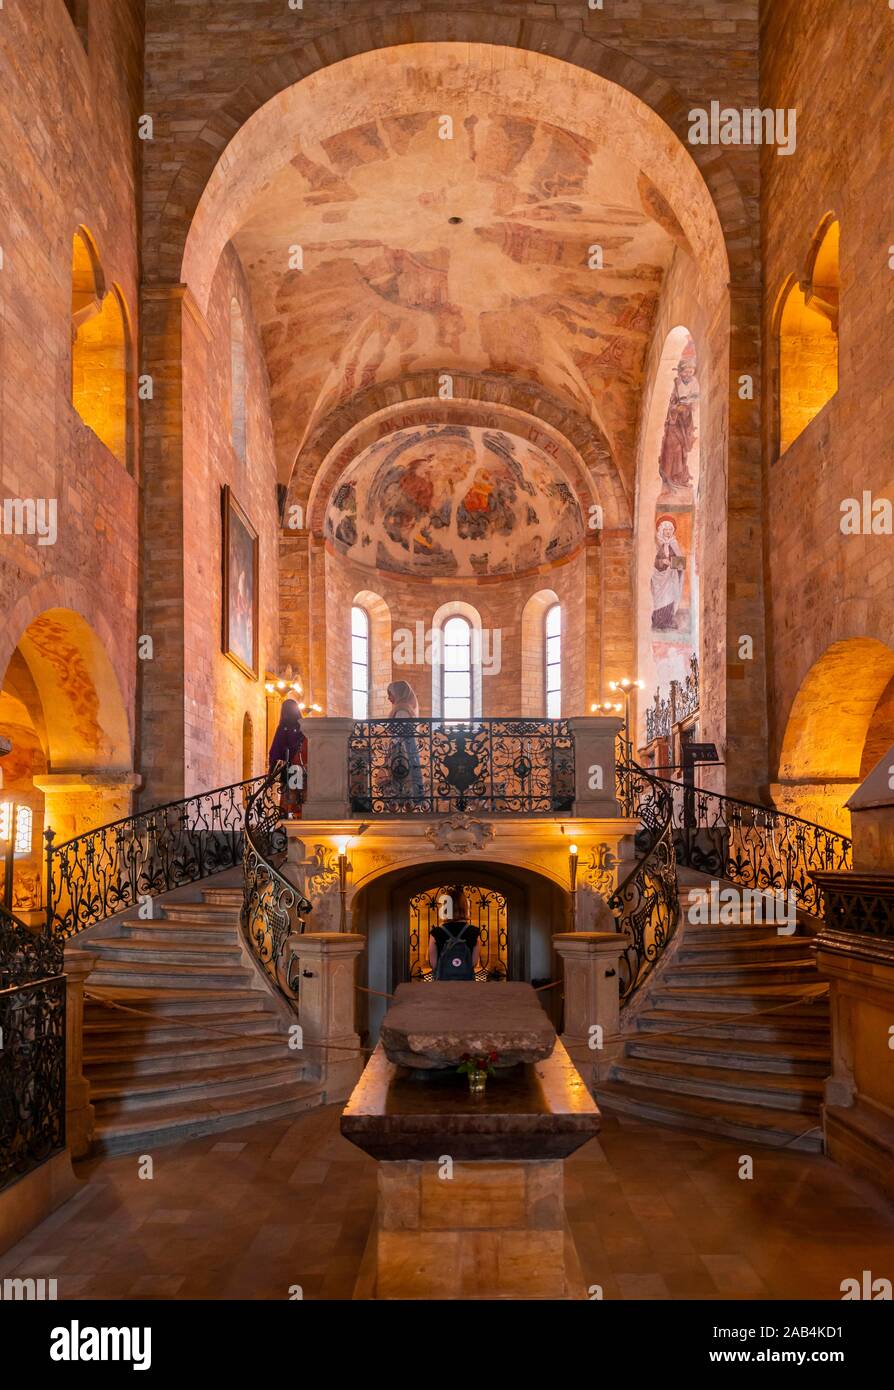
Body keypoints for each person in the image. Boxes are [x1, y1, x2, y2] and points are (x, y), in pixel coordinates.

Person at [428, 886, 481, 981]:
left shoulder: (436, 932)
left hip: (443, 984)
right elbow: (473, 963)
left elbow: (434, 964)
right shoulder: (474, 932)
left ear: (445, 908)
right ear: (465, 907)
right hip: (466, 983)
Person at [267, 698, 308, 819]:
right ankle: (297, 818)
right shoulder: (304, 726)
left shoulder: (283, 726)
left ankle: (288, 820)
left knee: (290, 797)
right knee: (301, 796)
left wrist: (271, 770)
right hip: (304, 766)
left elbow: (276, 749)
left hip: (292, 766)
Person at [386, 679, 425, 805]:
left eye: (390, 694)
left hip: (402, 748)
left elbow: (400, 732)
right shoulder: (405, 707)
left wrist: (392, 747)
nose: (389, 698)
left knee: (403, 774)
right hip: (407, 746)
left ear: (398, 693)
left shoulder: (402, 709)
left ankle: (405, 802)